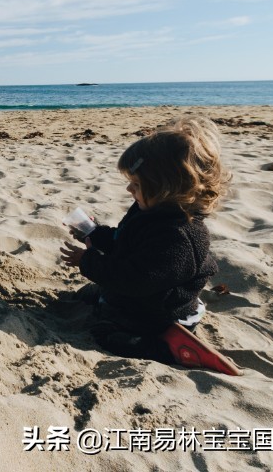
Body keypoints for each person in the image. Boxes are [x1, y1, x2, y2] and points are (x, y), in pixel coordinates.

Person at [59, 116, 239, 375]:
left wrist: (86, 261)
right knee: (91, 293)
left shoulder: (179, 236)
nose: (128, 188)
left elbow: (136, 279)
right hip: (142, 292)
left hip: (161, 312)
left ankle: (169, 349)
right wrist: (95, 235)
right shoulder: (148, 209)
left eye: (137, 184)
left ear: (167, 188)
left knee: (106, 333)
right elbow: (125, 241)